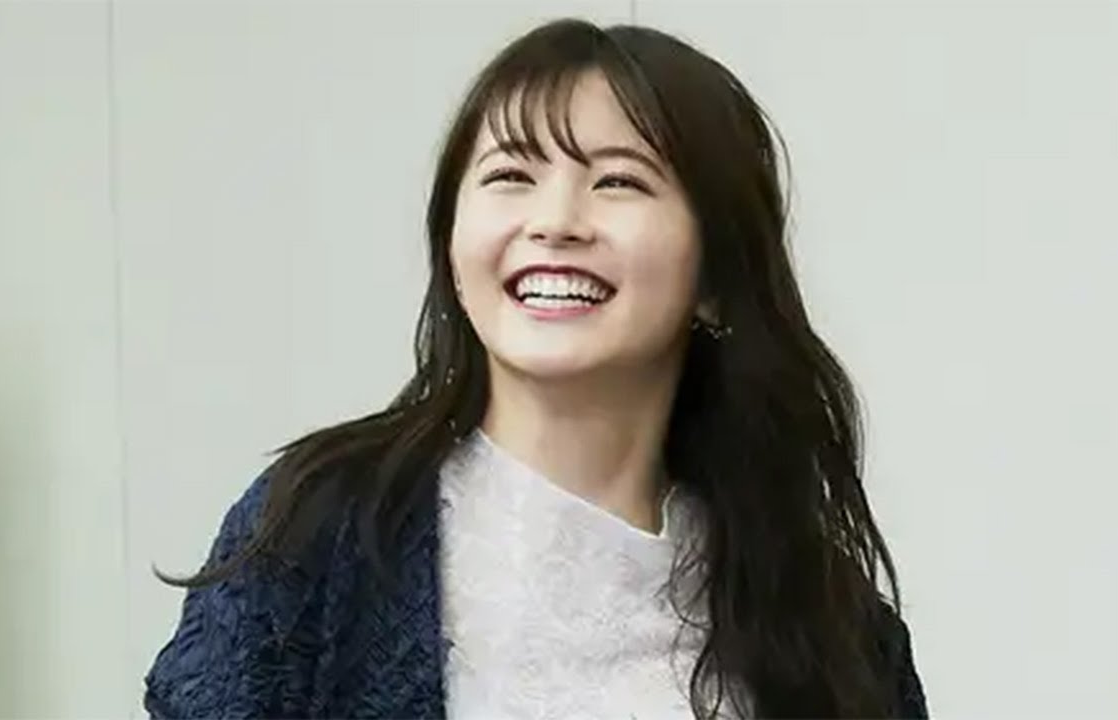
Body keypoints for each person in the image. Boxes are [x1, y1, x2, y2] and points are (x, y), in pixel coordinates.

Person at [144, 17, 929, 720]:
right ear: (452, 246)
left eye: (618, 181)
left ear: (717, 275)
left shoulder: (834, 628)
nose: (554, 222)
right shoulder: (317, 535)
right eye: (510, 176)